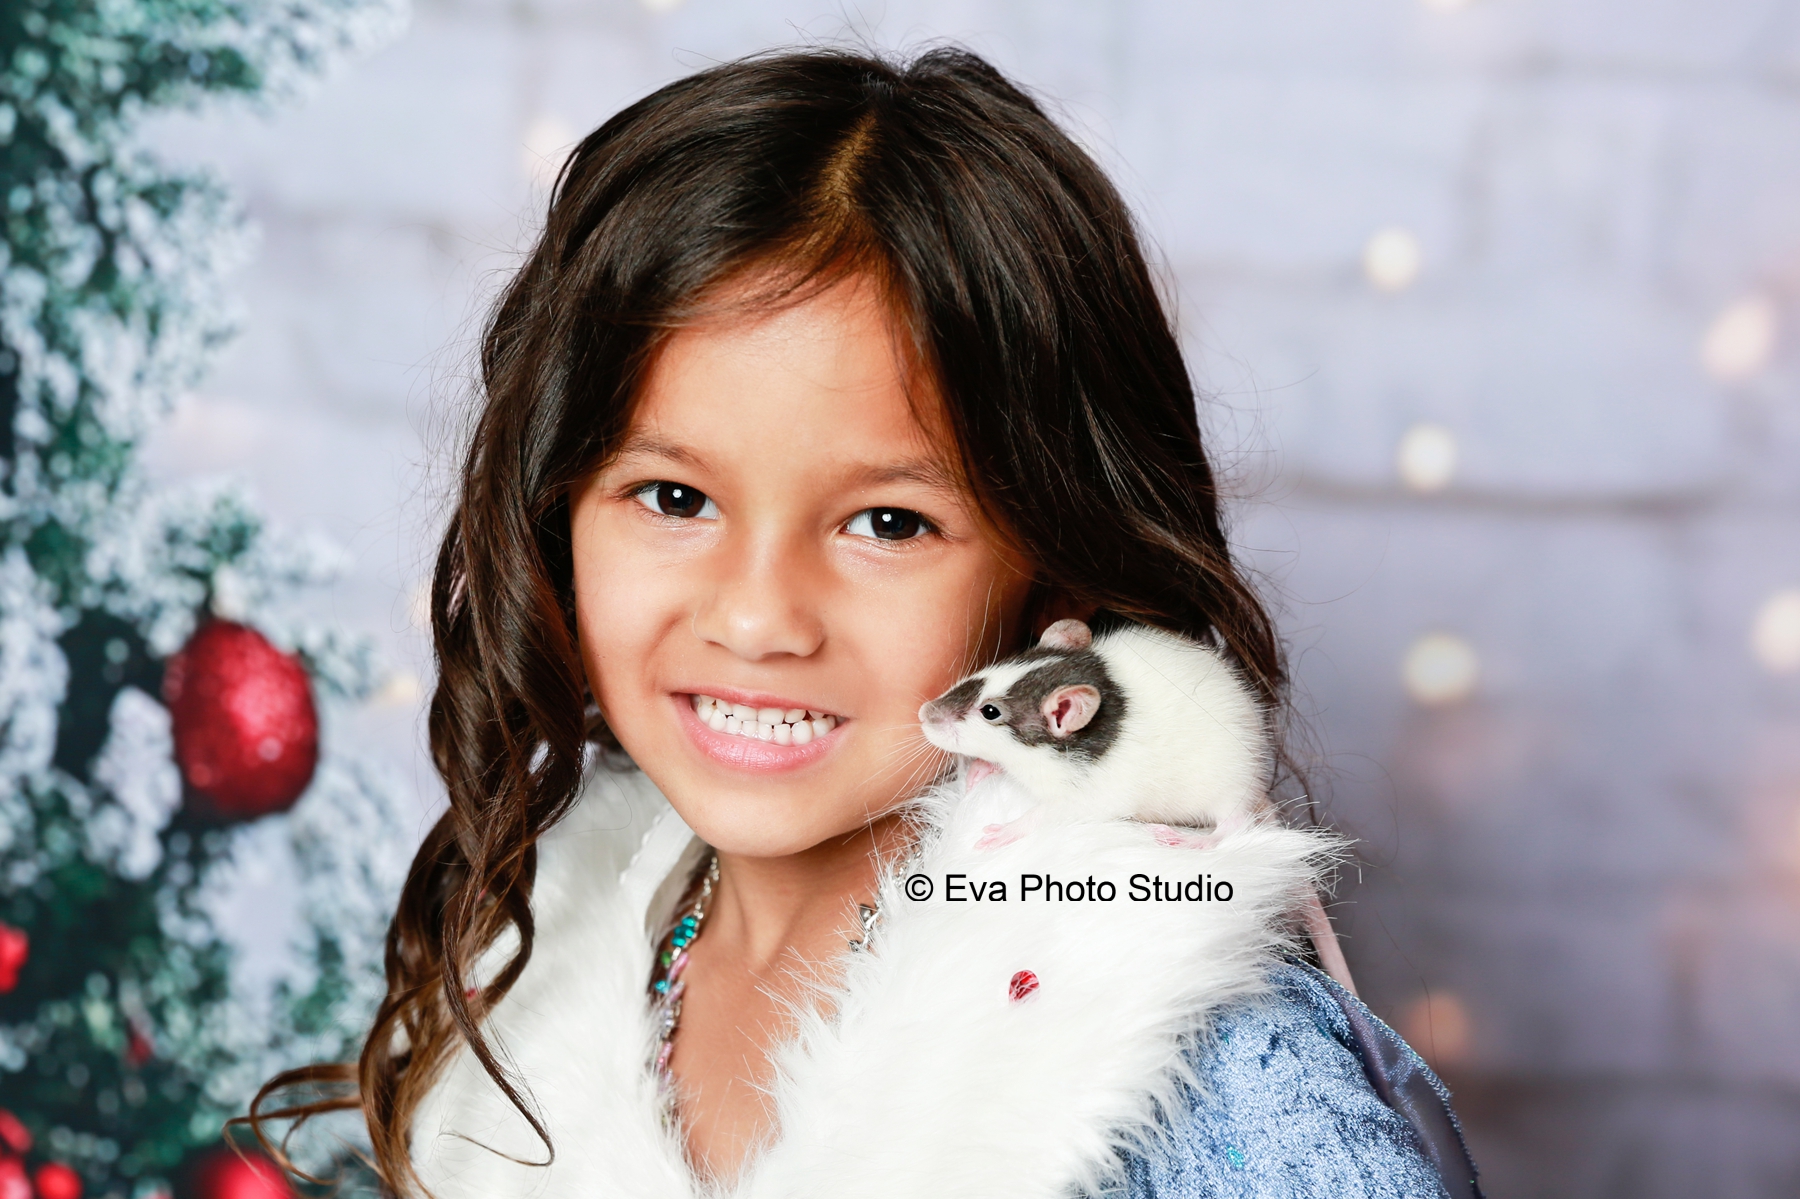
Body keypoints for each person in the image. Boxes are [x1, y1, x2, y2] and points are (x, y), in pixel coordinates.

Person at [251, 45, 1480, 1199]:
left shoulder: (1194, 1051)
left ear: (1056, 573)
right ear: (557, 512)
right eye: (674, 498)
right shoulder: (541, 957)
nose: (757, 616)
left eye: (887, 523)